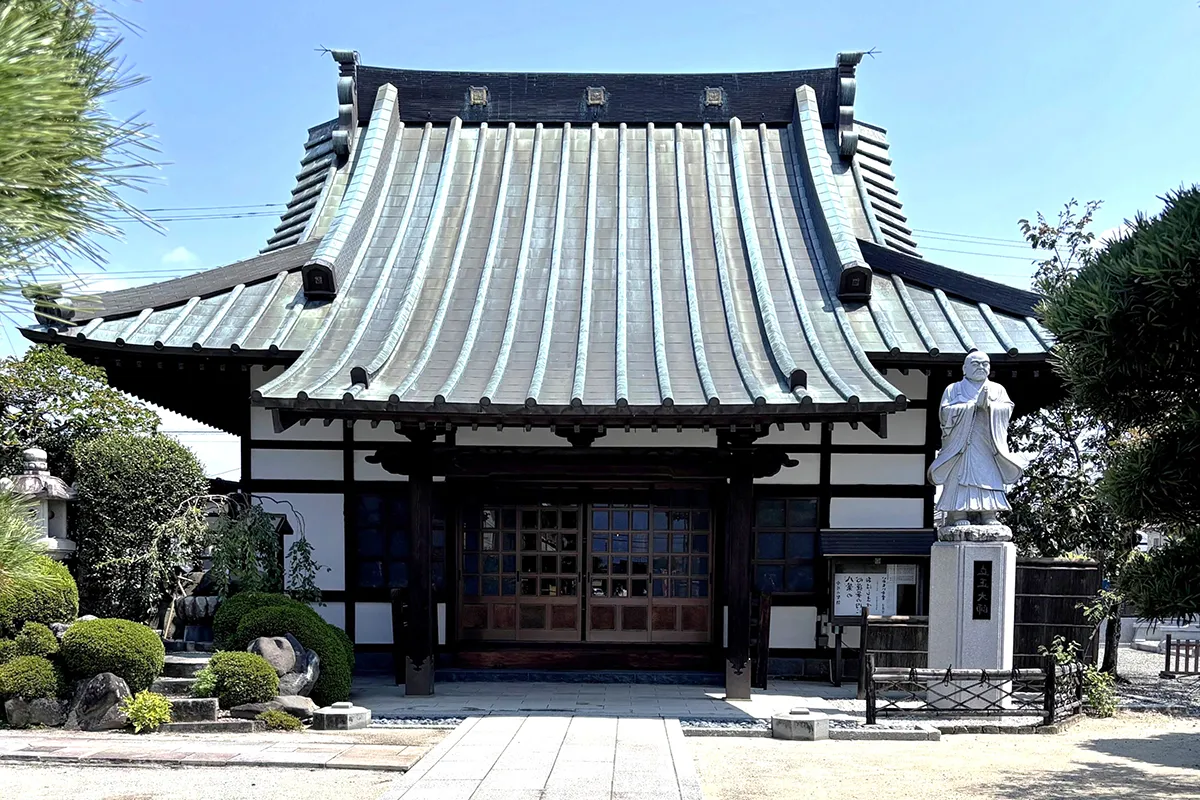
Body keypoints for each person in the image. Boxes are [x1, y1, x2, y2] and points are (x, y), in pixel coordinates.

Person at [928, 351, 1024, 525]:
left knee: (989, 476)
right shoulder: (954, 389)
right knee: (959, 477)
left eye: (984, 363)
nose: (981, 367)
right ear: (964, 368)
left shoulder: (997, 389)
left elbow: (1007, 409)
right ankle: (959, 515)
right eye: (975, 363)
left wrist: (989, 407)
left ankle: (989, 514)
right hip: (962, 444)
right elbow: (945, 413)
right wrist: (972, 407)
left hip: (988, 443)